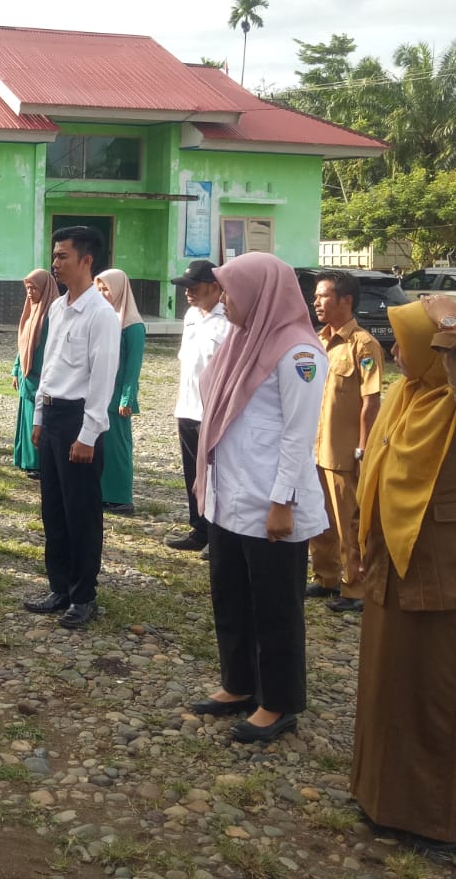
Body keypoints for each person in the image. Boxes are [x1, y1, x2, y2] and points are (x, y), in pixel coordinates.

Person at [351, 296, 456, 853]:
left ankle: (454, 824)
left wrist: (451, 325)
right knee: (390, 686)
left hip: (452, 571)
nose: (397, 351)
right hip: (396, 568)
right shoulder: (410, 395)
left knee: (442, 699)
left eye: (409, 339)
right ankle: (384, 802)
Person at [189, 251, 328, 744]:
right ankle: (239, 683)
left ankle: (279, 701)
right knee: (230, 595)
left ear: (260, 293)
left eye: (231, 291)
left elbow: (298, 435)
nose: (225, 301)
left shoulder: (299, 353)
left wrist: (282, 502)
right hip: (231, 496)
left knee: (275, 606)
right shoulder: (241, 341)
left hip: (272, 502)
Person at [22, 226, 121, 630]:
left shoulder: (101, 315)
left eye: (64, 256)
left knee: (81, 512)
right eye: (55, 255)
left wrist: (89, 433)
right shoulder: (60, 307)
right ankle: (59, 586)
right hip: (54, 414)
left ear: (86, 261)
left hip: (80, 419)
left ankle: (84, 595)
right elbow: (50, 367)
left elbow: (102, 378)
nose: (56, 263)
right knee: (54, 509)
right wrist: (39, 417)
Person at [308, 270, 385, 614]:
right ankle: (326, 577)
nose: (316, 302)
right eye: (316, 296)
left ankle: (354, 588)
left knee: (348, 522)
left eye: (323, 296)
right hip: (315, 449)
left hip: (344, 452)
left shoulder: (364, 345)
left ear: (346, 301)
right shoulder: (317, 340)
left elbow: (371, 400)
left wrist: (363, 448)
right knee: (318, 518)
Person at [166, 260, 231, 552]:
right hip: (187, 407)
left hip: (211, 412)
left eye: (194, 287)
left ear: (215, 287)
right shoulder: (191, 316)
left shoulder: (228, 320)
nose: (187, 293)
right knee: (192, 473)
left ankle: (218, 536)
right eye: (185, 287)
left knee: (215, 477)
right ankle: (199, 530)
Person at [93, 268, 146, 516]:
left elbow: (133, 367)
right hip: (100, 392)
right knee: (101, 445)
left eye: (107, 288)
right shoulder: (106, 317)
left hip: (117, 398)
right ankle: (104, 493)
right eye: (100, 288)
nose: (103, 293)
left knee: (118, 447)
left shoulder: (133, 326)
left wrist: (127, 398)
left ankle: (121, 497)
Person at [12, 269, 54, 475]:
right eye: (28, 288)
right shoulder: (31, 310)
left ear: (45, 289)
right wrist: (16, 369)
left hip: (40, 377)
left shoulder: (50, 314)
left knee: (38, 420)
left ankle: (37, 463)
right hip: (26, 376)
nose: (30, 292)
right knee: (26, 418)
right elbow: (23, 343)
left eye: (34, 288)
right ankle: (25, 459)